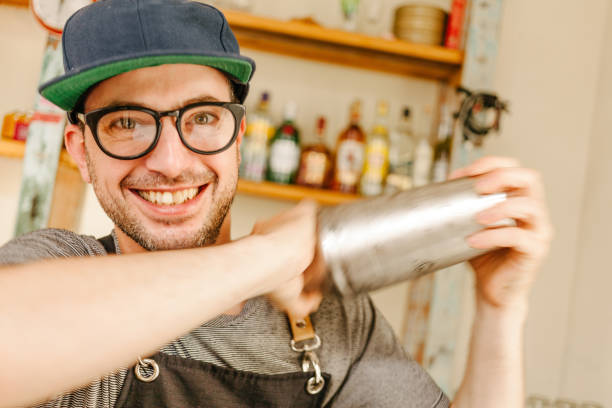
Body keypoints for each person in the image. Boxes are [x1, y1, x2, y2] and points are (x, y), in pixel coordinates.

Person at [0, 1, 552, 407]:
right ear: (80, 149)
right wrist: (266, 257)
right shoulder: (55, 269)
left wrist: (500, 311)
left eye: (203, 118)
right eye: (125, 122)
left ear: (238, 138)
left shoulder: (329, 319)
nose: (170, 160)